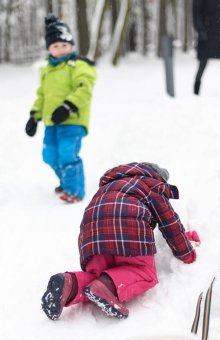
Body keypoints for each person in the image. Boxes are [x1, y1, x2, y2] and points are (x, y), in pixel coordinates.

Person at [41, 162, 200, 321]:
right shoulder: (151, 185)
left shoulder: (106, 187)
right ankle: (108, 287)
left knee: (97, 276)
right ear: (160, 178)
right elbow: (170, 224)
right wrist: (187, 254)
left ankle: (69, 284)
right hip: (127, 231)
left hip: (91, 238)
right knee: (143, 272)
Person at [25, 14, 96, 203]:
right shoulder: (47, 70)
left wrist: (68, 107)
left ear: (71, 45)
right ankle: (66, 182)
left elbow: (85, 88)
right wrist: (34, 116)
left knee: (67, 153)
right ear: (49, 49)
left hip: (72, 120)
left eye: (64, 45)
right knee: (49, 155)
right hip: (51, 122)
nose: (61, 49)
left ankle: (75, 191)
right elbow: (42, 95)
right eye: (55, 46)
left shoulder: (79, 65)